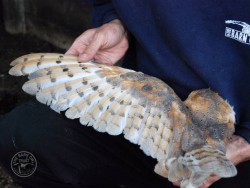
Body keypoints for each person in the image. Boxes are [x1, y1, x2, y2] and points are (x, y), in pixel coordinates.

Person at [0, 1, 250, 187]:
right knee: (25, 136)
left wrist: (245, 142)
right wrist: (117, 23)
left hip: (236, 141)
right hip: (157, 106)